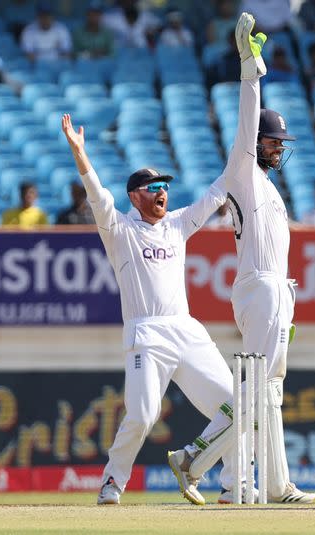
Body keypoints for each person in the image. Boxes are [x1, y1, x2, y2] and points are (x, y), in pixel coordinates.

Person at [166, 13, 315, 505]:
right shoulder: (244, 170)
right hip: (263, 287)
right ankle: (194, 458)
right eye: (274, 141)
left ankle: (275, 485)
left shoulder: (264, 185)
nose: (279, 148)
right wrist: (251, 66)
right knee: (255, 390)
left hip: (276, 290)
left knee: (269, 390)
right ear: (256, 145)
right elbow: (247, 117)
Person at [61, 113, 238, 502]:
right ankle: (113, 481)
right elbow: (97, 195)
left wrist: (243, 154)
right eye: (153, 186)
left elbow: (215, 195)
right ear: (135, 196)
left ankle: (230, 482)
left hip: (186, 329)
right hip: (146, 333)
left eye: (164, 186)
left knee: (235, 406)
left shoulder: (177, 224)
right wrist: (80, 153)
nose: (162, 192)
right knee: (142, 416)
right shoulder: (120, 230)